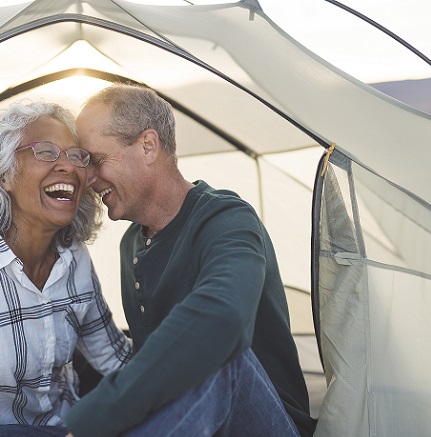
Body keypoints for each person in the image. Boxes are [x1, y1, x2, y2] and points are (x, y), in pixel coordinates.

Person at [63, 84, 317, 437]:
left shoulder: (226, 219)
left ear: (148, 146)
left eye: (97, 161)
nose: (88, 179)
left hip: (264, 423)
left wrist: (95, 417)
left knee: (216, 351)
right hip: (190, 423)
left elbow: (223, 317)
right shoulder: (131, 245)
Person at [0, 101, 132, 437]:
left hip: (64, 428)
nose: (68, 167)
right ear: (3, 175)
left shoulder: (73, 258)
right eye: (45, 152)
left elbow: (117, 361)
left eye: (76, 156)